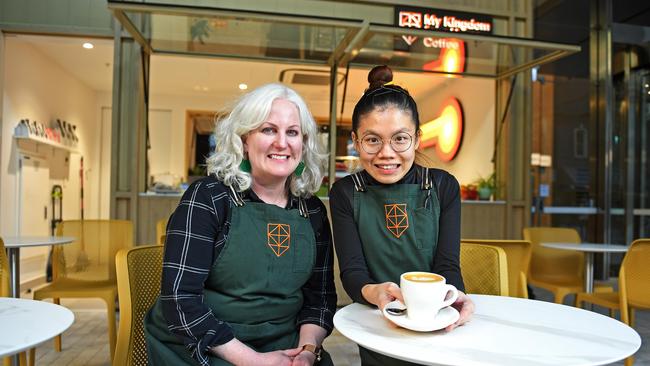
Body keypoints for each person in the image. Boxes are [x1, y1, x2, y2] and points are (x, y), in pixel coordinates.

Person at [145, 83, 336, 366]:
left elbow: (319, 299)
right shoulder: (209, 198)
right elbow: (179, 299)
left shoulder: (313, 211)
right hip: (208, 346)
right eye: (268, 129)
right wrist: (254, 361)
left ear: (303, 144)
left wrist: (307, 351)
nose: (282, 143)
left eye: (292, 132)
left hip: (287, 346)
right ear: (244, 141)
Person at [329, 65, 475, 365]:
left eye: (400, 139)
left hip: (436, 323)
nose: (386, 153)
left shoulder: (442, 186)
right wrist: (376, 293)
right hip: (379, 323)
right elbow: (353, 273)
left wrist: (455, 295)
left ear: (417, 139)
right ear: (356, 142)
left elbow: (447, 264)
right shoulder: (345, 192)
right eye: (372, 140)